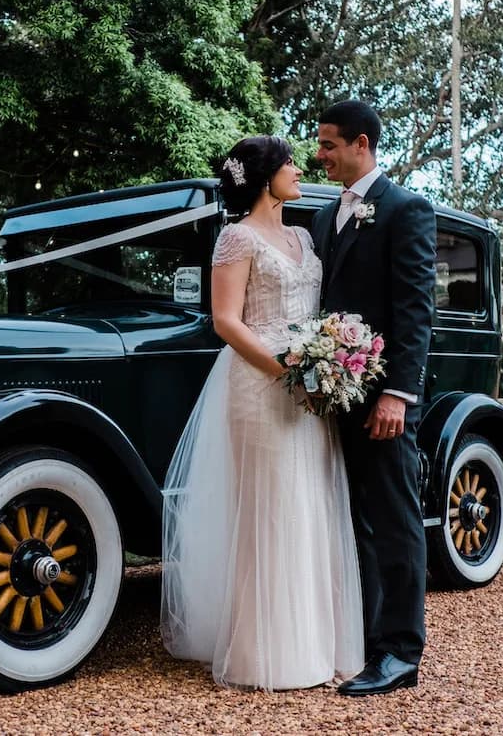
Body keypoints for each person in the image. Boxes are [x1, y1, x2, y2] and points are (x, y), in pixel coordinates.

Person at [161, 135, 365, 691]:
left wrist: (329, 358)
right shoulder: (236, 238)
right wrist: (285, 370)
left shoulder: (303, 233)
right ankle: (263, 652)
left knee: (311, 503)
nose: (300, 170)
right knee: (270, 507)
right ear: (265, 177)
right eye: (290, 164)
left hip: (312, 385)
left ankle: (313, 645)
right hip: (259, 383)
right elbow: (226, 321)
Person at [311, 99, 436, 697]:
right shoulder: (324, 217)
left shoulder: (406, 210)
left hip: (383, 400)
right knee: (354, 522)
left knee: (394, 522)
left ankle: (400, 653)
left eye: (329, 144)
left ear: (362, 144)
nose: (320, 154)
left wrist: (398, 395)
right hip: (335, 397)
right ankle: (364, 640)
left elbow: (415, 313)